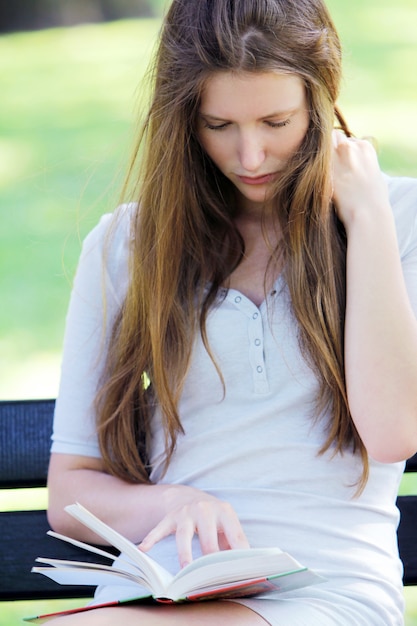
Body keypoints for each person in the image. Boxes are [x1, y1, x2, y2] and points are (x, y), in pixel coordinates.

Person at [45, 0, 417, 624]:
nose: (251, 157)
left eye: (277, 121)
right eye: (220, 125)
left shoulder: (398, 220)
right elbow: (69, 492)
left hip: (327, 588)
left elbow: (393, 431)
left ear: (321, 101)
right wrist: (172, 503)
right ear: (184, 119)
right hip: (170, 584)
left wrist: (368, 215)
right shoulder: (128, 246)